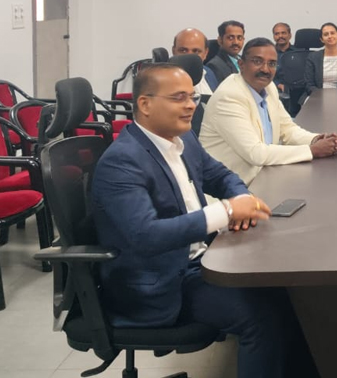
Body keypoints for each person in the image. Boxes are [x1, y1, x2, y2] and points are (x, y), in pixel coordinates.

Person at [91, 64, 318, 378]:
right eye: (179, 98)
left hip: (199, 261)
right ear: (145, 104)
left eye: (193, 97)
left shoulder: (183, 140)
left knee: (293, 297)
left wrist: (241, 198)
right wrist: (225, 212)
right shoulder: (123, 161)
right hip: (163, 282)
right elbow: (146, 236)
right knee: (262, 319)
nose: (191, 106)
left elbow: (221, 176)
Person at [200, 37, 337, 186]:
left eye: (272, 64)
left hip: (264, 177)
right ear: (241, 64)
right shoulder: (229, 97)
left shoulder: (268, 87)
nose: (265, 69)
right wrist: (312, 150)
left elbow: (287, 130)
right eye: (257, 61)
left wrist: (316, 139)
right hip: (232, 188)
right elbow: (256, 153)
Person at [305, 22, 337, 93]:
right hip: (317, 95)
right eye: (326, 34)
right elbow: (309, 84)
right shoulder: (313, 57)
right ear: (322, 39)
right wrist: (322, 96)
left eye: (332, 33)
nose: (330, 36)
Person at [172, 27, 215, 96]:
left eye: (196, 51)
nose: (190, 56)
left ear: (205, 53)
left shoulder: (209, 73)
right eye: (183, 50)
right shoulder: (166, 83)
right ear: (174, 51)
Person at [206, 20, 245, 87]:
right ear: (220, 40)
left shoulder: (244, 61)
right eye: (230, 38)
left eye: (239, 38)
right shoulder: (215, 66)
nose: (236, 42)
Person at [273, 22, 292, 93]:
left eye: (283, 33)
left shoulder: (297, 53)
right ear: (274, 36)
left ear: (290, 35)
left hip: (297, 90)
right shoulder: (269, 53)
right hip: (275, 89)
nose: (280, 36)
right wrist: (278, 84)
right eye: (277, 34)